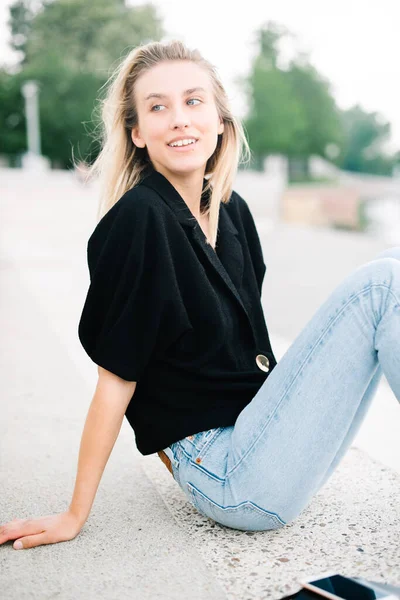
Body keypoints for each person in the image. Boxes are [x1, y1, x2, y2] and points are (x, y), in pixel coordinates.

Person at [1, 40, 399, 551]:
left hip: (263, 439)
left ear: (220, 121)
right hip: (228, 476)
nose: (179, 120)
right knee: (381, 286)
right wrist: (74, 514)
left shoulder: (233, 212)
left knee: (392, 261)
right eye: (157, 107)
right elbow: (115, 380)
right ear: (138, 133)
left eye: (193, 102)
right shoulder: (139, 220)